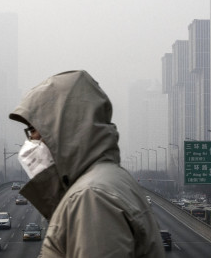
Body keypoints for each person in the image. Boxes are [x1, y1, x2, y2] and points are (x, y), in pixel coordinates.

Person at [9, 70, 165, 257]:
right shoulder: (103, 183)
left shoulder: (92, 196)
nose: (31, 139)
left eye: (33, 129)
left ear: (61, 130)